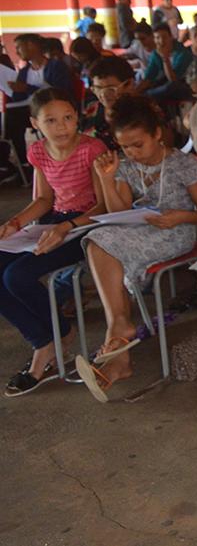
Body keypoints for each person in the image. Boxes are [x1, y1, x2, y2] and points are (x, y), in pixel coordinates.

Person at [75, 96, 197, 400]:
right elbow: (117, 212)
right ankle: (119, 349)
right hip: (137, 231)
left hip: (177, 232)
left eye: (138, 144)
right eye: (125, 147)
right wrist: (108, 180)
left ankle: (119, 335)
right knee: (100, 241)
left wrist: (181, 216)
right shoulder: (123, 166)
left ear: (157, 135)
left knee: (104, 247)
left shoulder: (181, 163)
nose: (132, 152)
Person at [0, 88, 108, 397]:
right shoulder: (38, 151)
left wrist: (65, 227)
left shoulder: (92, 149)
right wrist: (16, 223)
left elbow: (103, 206)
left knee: (16, 276)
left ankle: (56, 339)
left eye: (68, 118)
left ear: (78, 118)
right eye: (51, 120)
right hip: (54, 221)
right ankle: (44, 340)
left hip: (86, 225)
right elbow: (45, 199)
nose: (61, 127)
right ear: (35, 123)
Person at [6, 35, 73, 165]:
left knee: (13, 118)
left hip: (54, 110)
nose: (17, 52)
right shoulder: (24, 71)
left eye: (19, 47)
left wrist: (28, 88)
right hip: (30, 111)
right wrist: (13, 89)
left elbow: (60, 92)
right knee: (8, 118)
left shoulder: (55, 66)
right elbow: (19, 97)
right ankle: (23, 163)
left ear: (31, 45)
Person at [81, 57, 136, 150]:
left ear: (129, 84)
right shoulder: (92, 109)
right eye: (98, 88)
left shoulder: (144, 111)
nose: (104, 95)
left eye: (111, 89)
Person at [138, 23, 193, 102]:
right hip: (167, 85)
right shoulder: (156, 54)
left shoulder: (183, 53)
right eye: (157, 38)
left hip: (184, 86)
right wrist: (134, 92)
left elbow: (173, 80)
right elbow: (148, 77)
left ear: (171, 37)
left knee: (170, 87)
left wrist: (165, 58)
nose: (161, 41)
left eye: (164, 37)